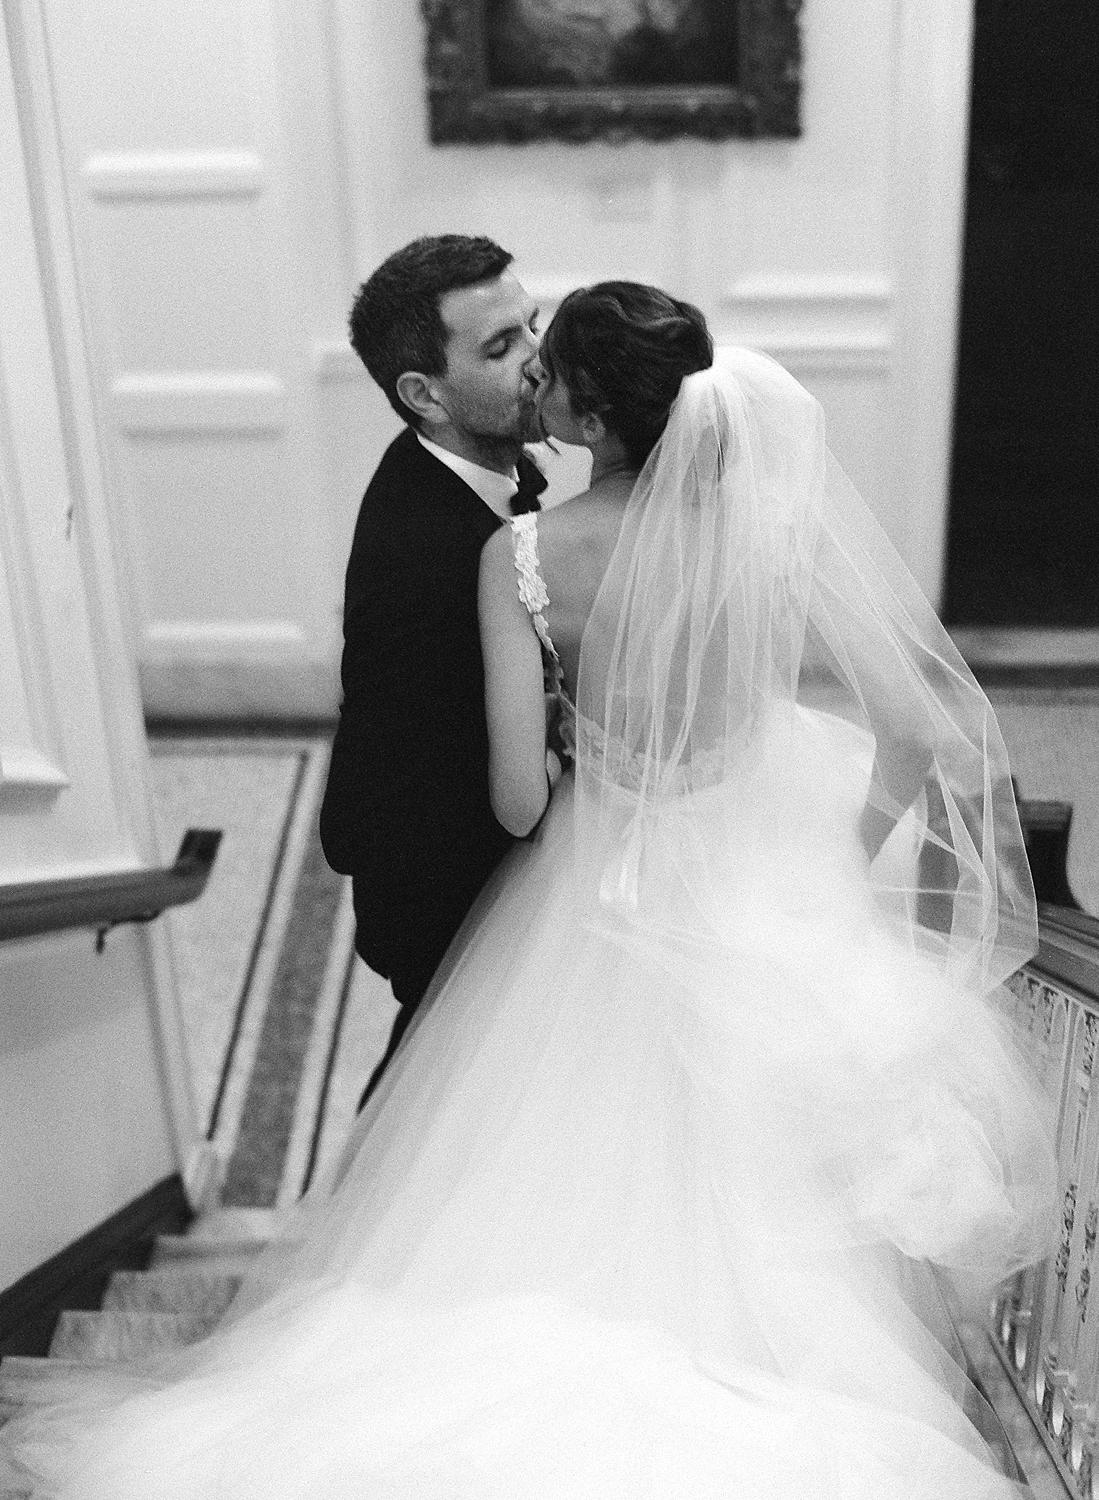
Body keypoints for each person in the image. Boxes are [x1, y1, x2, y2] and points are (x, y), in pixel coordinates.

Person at [3, 285, 1056, 1497]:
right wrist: (841, 858)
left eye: (545, 367)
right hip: (763, 855)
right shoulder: (768, 527)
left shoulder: (526, 556)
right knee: (773, 1150)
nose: (530, 385)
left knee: (558, 1146)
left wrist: (577, 750)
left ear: (591, 416)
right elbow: (919, 733)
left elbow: (514, 798)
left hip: (606, 877)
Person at [318, 234, 552, 1103]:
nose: (538, 361)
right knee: (447, 1087)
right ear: (424, 394)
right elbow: (421, 764)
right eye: (500, 348)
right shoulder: (431, 553)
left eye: (531, 326)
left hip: (470, 843)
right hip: (439, 886)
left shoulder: (469, 465)